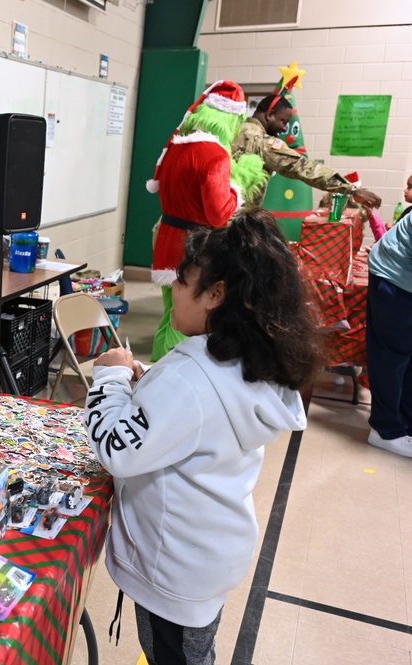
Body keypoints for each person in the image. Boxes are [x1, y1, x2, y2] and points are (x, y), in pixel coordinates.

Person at [85, 210, 323, 665]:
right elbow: (194, 411)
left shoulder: (192, 379)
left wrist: (111, 379)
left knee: (176, 656)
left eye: (182, 279)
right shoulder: (242, 361)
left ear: (216, 294)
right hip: (207, 556)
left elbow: (115, 448)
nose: (173, 288)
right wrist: (147, 378)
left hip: (174, 568)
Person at [147, 80, 267, 361]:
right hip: (194, 249)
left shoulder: (176, 148)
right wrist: (238, 182)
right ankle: (168, 381)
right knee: (188, 320)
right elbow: (219, 213)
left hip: (167, 238)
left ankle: (153, 371)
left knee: (171, 313)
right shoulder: (216, 156)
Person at [232, 94, 382, 209]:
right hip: (234, 222)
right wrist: (351, 190)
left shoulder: (233, 131)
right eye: (283, 121)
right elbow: (302, 167)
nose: (284, 128)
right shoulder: (262, 142)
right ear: (269, 114)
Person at [365, 198, 412, 456]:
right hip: (394, 277)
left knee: (408, 356)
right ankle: (386, 430)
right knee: (392, 354)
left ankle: (406, 424)